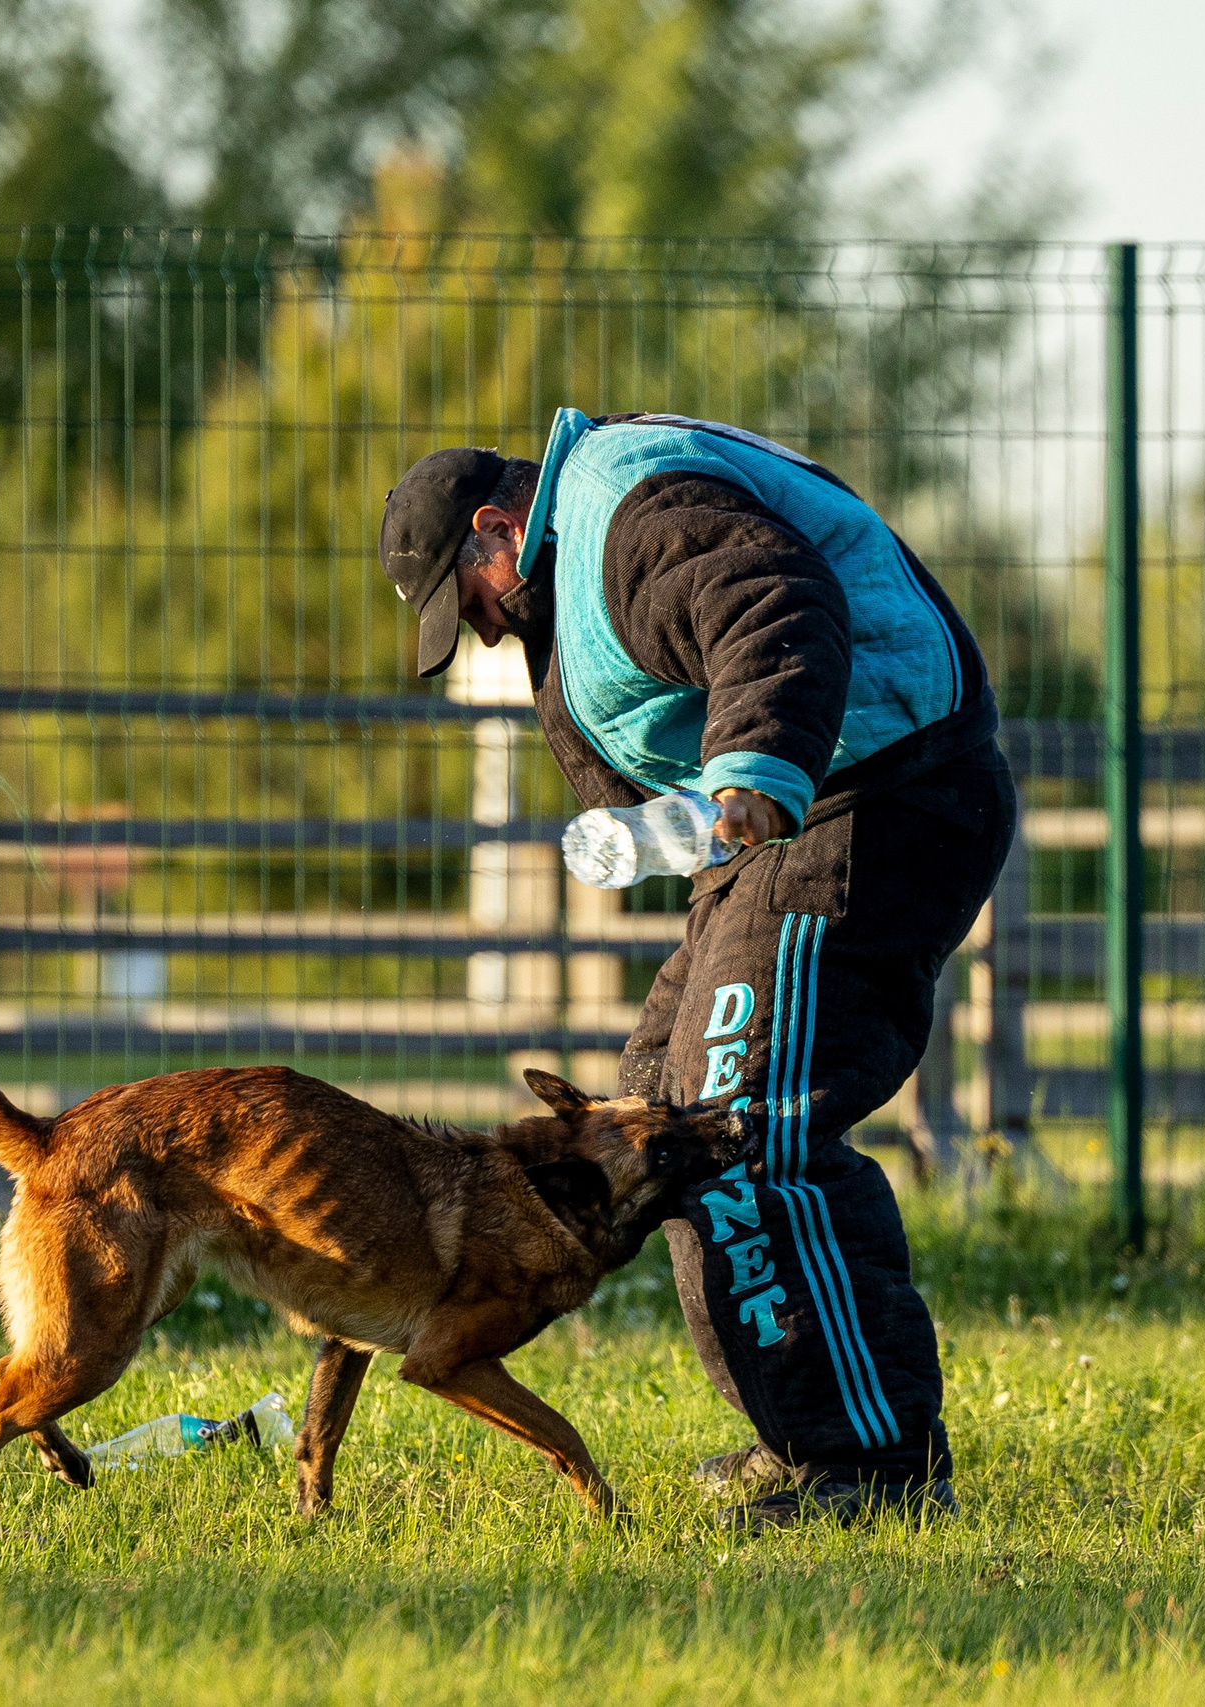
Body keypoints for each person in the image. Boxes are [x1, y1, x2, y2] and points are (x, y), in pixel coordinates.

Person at [377, 409, 1017, 1532]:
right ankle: (803, 1434)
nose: (478, 631)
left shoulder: (629, 509)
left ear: (497, 527)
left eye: (465, 597)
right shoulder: (583, 542)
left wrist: (752, 769)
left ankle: (873, 1470)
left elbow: (767, 598)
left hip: (867, 802)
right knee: (654, 1122)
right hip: (788, 821)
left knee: (738, 1120)